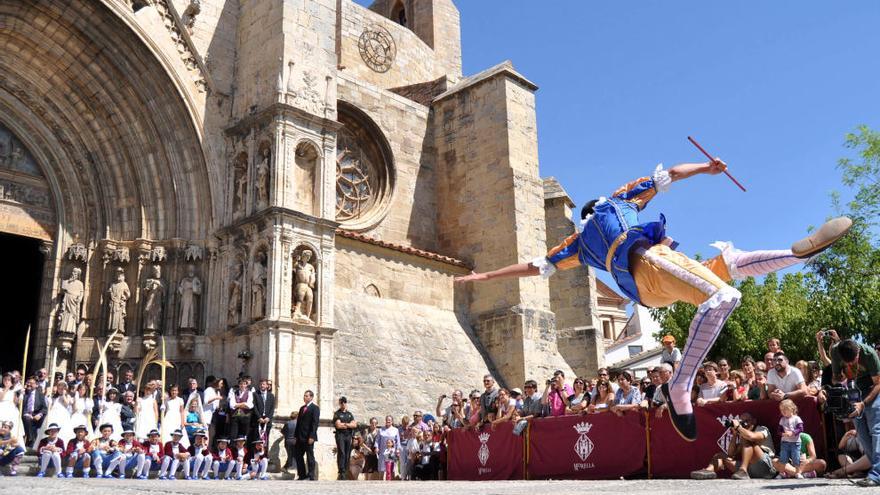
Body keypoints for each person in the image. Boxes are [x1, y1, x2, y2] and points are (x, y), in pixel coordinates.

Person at [454, 158, 852, 440]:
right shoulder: (621, 200)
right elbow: (673, 175)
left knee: (724, 267)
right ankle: (680, 385)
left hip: (650, 282)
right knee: (723, 294)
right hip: (647, 261)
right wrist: (708, 169)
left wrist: (486, 275)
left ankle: (793, 254)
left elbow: (534, 265)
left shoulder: (578, 243)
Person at [831, 338, 880, 487]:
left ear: (858, 351)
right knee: (862, 433)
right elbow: (836, 378)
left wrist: (863, 404)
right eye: (848, 362)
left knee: (876, 430)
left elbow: (878, 383)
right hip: (854, 392)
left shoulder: (870, 354)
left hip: (872, 391)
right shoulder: (835, 351)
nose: (851, 364)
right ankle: (876, 470)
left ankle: (876, 475)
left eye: (854, 360)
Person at [690, 412, 776, 480]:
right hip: (751, 469)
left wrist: (739, 427)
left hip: (766, 467)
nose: (745, 424)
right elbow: (730, 454)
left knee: (747, 440)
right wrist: (735, 435)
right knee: (720, 456)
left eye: (747, 421)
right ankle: (708, 471)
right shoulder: (743, 435)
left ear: (754, 421)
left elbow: (752, 437)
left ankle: (743, 470)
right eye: (742, 421)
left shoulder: (762, 429)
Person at [293, 389, 319, 480]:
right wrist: (296, 436)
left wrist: (312, 436)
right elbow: (298, 423)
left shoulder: (315, 408)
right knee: (298, 455)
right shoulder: (302, 408)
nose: (305, 397)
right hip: (300, 437)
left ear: (311, 397)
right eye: (304, 395)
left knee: (310, 456)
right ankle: (302, 474)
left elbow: (315, 423)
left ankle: (311, 475)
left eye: (306, 396)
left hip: (308, 437)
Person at [775, 399, 804, 478]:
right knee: (783, 458)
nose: (783, 412)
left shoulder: (796, 418)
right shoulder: (782, 419)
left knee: (796, 457)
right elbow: (779, 431)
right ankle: (781, 473)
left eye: (785, 409)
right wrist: (782, 434)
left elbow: (800, 428)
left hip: (795, 442)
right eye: (781, 410)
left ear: (791, 408)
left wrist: (793, 433)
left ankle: (798, 472)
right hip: (785, 442)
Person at [333, 396, 357, 480]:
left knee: (347, 453)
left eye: (344, 402)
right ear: (339, 403)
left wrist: (345, 424)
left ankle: (346, 470)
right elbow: (338, 425)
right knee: (342, 453)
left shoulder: (349, 414)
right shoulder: (337, 414)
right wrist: (348, 425)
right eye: (341, 402)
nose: (343, 404)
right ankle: (341, 471)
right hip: (340, 435)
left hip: (348, 435)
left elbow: (354, 425)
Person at [21, 376, 47, 447]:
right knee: (27, 419)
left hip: (36, 416)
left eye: (31, 383)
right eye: (28, 382)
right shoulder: (23, 393)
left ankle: (33, 444)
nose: (29, 384)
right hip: (25, 415)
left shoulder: (40, 395)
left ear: (36, 385)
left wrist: (40, 414)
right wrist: (21, 394)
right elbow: (21, 407)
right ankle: (31, 439)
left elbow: (44, 408)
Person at [228, 377, 253, 441]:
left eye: (244, 384)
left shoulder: (249, 393)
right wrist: (243, 403)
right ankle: (233, 449)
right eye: (241, 384)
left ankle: (243, 449)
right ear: (239, 385)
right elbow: (232, 405)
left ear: (246, 385)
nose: (242, 386)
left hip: (245, 417)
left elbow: (249, 405)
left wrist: (237, 405)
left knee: (244, 435)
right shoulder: (234, 393)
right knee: (234, 434)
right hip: (235, 416)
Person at [375, 415, 400, 480]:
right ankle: (380, 481)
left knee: (391, 468)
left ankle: (391, 482)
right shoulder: (381, 430)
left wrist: (397, 450)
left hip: (392, 452)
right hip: (383, 452)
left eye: (389, 420)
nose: (388, 421)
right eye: (387, 420)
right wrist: (376, 447)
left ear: (392, 421)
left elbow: (398, 441)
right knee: (381, 468)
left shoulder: (395, 430)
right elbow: (377, 440)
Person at [252, 378, 275, 446]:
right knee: (257, 439)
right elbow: (254, 406)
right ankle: (256, 455)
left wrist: (268, 418)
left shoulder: (271, 396)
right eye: (261, 384)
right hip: (258, 420)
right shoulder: (255, 394)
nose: (262, 386)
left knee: (265, 439)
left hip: (267, 421)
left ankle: (265, 455)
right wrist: (259, 417)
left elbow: (272, 408)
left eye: (264, 384)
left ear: (267, 386)